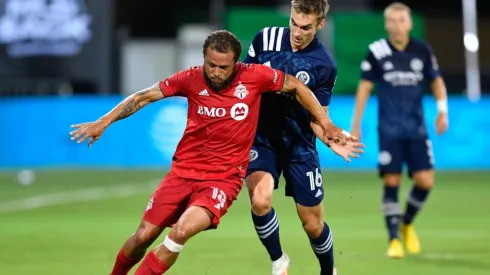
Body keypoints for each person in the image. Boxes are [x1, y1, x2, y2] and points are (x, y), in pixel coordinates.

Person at [70, 30, 357, 275]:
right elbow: (143, 96)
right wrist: (103, 121)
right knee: (140, 238)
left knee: (179, 233)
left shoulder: (255, 77)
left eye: (223, 67)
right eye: (211, 65)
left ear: (237, 64)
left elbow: (296, 86)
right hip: (181, 174)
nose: (216, 73)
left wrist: (326, 123)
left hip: (221, 180)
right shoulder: (190, 79)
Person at [243, 1, 363, 274]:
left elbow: (318, 116)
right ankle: (278, 260)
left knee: (312, 223)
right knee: (260, 200)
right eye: (294, 23)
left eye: (306, 27)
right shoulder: (265, 39)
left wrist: (332, 140)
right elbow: (244, 83)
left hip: (299, 144)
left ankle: (328, 270)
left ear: (320, 24)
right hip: (262, 138)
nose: (297, 31)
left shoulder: (325, 64)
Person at [350, 2, 449, 259]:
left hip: (416, 129)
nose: (397, 25)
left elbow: (436, 80)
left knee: (425, 181)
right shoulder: (377, 50)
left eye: (401, 20)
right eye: (392, 21)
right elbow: (364, 88)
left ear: (410, 23)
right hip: (390, 129)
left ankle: (406, 223)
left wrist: (442, 110)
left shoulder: (422, 50)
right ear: (386, 24)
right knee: (392, 181)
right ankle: (393, 239)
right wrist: (356, 124)